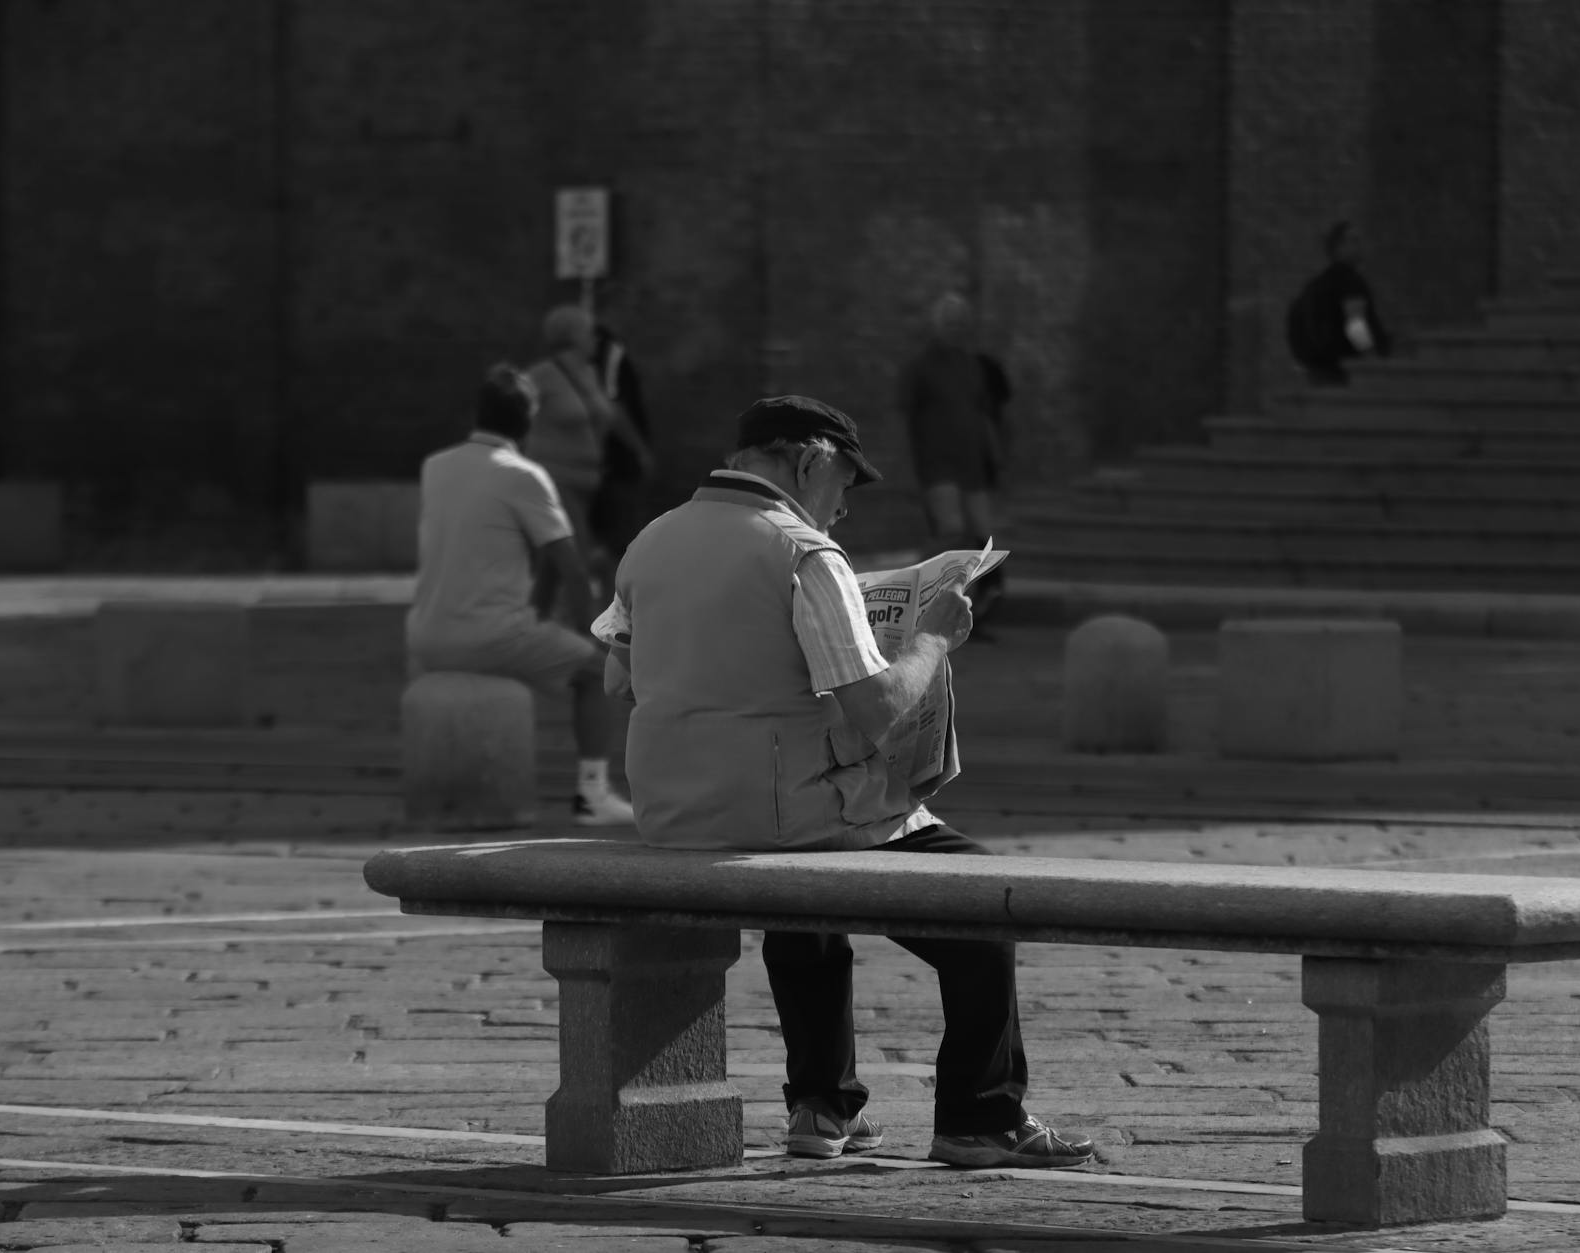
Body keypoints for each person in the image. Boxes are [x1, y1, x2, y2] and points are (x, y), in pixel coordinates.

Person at [592, 394, 1095, 1170]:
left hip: (674, 812)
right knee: (988, 904)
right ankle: (981, 1114)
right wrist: (930, 638)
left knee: (807, 896)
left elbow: (616, 680)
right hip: (786, 812)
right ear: (811, 460)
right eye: (846, 485)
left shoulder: (650, 542)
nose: (844, 508)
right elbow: (878, 714)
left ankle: (822, 1106)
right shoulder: (801, 553)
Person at [406, 363, 635, 825]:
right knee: (594, 672)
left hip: (425, 634)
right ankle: (591, 793)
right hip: (486, 636)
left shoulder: (435, 467)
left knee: (556, 649)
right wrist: (597, 636)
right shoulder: (524, 475)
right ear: (530, 421)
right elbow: (570, 566)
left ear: (478, 414)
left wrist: (538, 613)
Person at [898, 293, 1010, 636]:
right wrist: (911, 465)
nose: (956, 330)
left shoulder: (971, 365)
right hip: (938, 465)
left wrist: (993, 456)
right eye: (950, 323)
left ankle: (974, 610)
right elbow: (906, 414)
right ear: (938, 326)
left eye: (961, 324)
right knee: (950, 537)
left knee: (983, 538)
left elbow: (982, 413)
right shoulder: (921, 367)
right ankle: (935, 611)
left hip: (972, 467)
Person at [525, 305, 655, 579]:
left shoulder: (590, 374)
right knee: (576, 558)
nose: (595, 339)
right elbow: (516, 416)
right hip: (555, 478)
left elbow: (611, 413)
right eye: (589, 333)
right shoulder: (540, 376)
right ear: (572, 336)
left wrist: (638, 449)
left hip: (589, 481)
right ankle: (578, 619)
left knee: (560, 565)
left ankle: (545, 616)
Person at [585, 307, 659, 563]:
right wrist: (640, 450)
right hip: (615, 461)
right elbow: (613, 405)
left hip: (602, 460)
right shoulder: (609, 348)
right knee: (621, 545)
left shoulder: (591, 351)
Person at [1286, 219, 1393, 385]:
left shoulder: (1318, 284)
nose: (1360, 246)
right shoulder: (1350, 282)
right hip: (1346, 371)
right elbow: (1355, 324)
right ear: (1338, 247)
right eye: (1354, 240)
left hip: (1320, 369)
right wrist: (1371, 358)